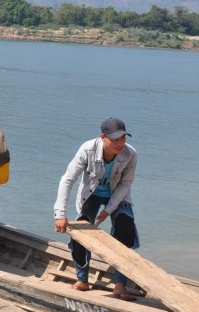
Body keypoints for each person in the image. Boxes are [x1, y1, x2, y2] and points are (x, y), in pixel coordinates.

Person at [53, 117, 139, 301]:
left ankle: (119, 285)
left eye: (123, 138)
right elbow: (68, 179)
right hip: (90, 195)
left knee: (126, 231)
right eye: (116, 139)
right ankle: (82, 280)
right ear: (103, 137)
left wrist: (109, 209)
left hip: (117, 195)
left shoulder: (130, 154)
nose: (121, 143)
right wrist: (60, 214)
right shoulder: (87, 149)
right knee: (81, 231)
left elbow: (126, 183)